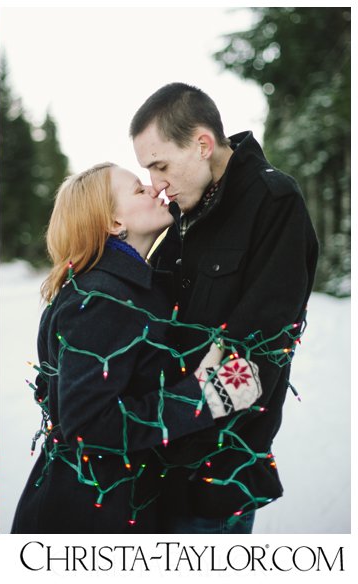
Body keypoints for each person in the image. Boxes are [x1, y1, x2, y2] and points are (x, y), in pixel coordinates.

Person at [11, 163, 262, 534]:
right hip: (87, 517)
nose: (153, 189)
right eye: (137, 189)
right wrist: (210, 396)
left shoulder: (126, 287)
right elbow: (88, 425)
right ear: (114, 223)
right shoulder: (103, 298)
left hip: (113, 503)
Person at [130, 82, 319, 533]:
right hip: (152, 461)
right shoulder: (179, 209)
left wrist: (170, 427)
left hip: (214, 470)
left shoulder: (274, 204)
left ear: (201, 144)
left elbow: (259, 355)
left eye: (160, 166)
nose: (156, 185)